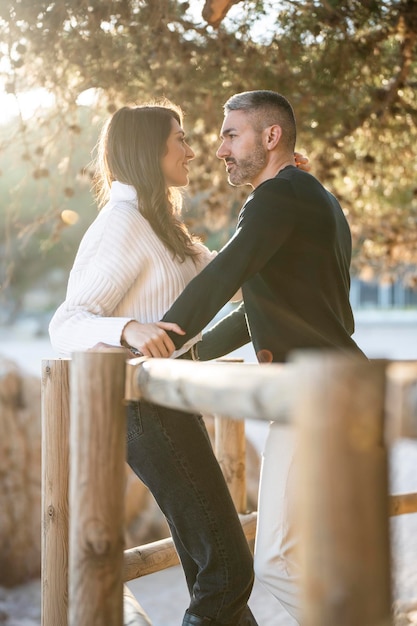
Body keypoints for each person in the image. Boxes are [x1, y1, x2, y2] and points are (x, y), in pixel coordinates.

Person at [138, 90, 367, 623]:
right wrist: (191, 357)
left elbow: (226, 275)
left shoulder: (276, 198)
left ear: (271, 137)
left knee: (278, 563)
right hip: (338, 390)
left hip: (314, 397)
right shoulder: (315, 197)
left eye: (231, 134)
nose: (220, 149)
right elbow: (258, 311)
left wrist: (162, 340)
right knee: (312, 557)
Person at [49, 101, 259, 626]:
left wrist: (277, 193)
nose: (193, 150)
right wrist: (126, 328)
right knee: (228, 570)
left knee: (209, 566)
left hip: (170, 406)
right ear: (150, 150)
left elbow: (230, 279)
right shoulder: (121, 225)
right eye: (180, 140)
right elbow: (67, 321)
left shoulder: (162, 224)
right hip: (143, 413)